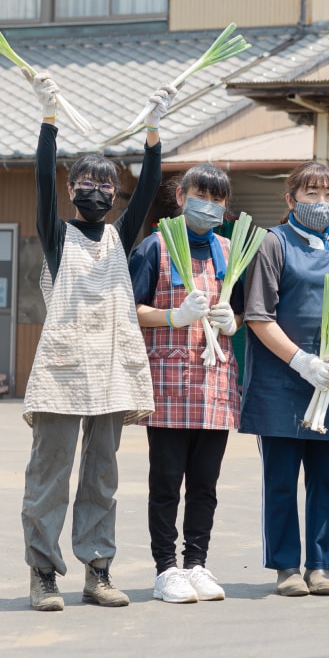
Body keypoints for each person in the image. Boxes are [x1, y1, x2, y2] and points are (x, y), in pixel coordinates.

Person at [21, 72, 175, 611]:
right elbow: (42, 178)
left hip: (112, 370)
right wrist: (49, 119)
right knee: (49, 475)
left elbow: (152, 183)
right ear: (71, 189)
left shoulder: (120, 235)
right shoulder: (57, 233)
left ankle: (98, 569)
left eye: (106, 184)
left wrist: (154, 128)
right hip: (63, 372)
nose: (96, 190)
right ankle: (43, 573)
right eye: (85, 182)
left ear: (115, 194)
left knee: (102, 478)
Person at [239, 161, 329, 597]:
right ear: (291, 199)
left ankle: (320, 565)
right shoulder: (272, 244)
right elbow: (259, 316)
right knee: (281, 480)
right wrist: (302, 361)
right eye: (311, 194)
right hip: (281, 383)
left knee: (327, 480)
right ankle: (286, 568)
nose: (321, 203)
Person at [128, 163, 244, 604]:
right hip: (168, 386)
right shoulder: (154, 248)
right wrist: (175, 317)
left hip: (214, 386)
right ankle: (165, 570)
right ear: (180, 196)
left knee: (205, 483)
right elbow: (131, 309)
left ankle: (196, 563)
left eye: (217, 199)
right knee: (165, 482)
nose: (209, 205)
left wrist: (232, 324)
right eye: (202, 195)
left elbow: (245, 314)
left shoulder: (231, 251)